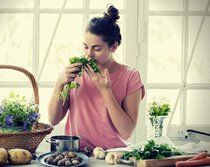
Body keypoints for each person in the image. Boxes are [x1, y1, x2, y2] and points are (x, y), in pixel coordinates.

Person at [48, 5, 145, 150]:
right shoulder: (75, 72)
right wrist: (59, 83)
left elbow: (126, 132)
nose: (89, 54)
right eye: (86, 46)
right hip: (76, 154)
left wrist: (106, 91)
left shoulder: (131, 77)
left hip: (111, 155)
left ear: (114, 47)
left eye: (97, 48)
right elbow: (53, 120)